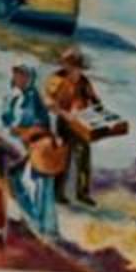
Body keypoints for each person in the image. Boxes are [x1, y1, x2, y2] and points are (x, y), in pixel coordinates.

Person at [0, 61, 65, 243]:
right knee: (16, 184)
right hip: (14, 145)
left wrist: (27, 135)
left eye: (23, 74)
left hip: (34, 148)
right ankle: (31, 222)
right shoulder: (10, 96)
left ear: (30, 78)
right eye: (17, 73)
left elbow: (43, 125)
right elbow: (5, 121)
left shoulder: (34, 99)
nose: (19, 77)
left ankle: (46, 230)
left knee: (40, 188)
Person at [46, 46, 102, 207]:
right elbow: (49, 102)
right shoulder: (56, 79)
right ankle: (58, 194)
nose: (71, 68)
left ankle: (83, 194)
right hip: (65, 123)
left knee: (84, 159)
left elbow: (95, 100)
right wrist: (65, 114)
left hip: (82, 124)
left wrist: (98, 112)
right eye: (69, 64)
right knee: (63, 158)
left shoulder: (84, 81)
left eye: (76, 66)